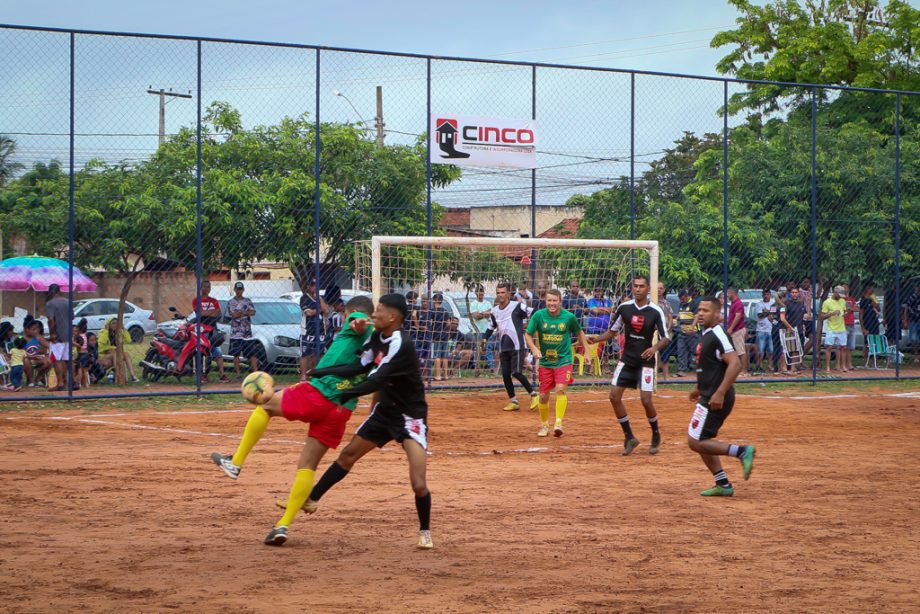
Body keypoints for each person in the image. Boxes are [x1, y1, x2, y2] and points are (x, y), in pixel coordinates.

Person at [210, 295, 375, 546]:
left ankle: (236, 461)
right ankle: (283, 525)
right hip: (342, 408)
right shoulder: (379, 343)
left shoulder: (355, 322)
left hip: (320, 392)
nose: (344, 318)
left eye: (344, 314)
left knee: (265, 405)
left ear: (349, 311)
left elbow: (358, 320)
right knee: (307, 465)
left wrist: (360, 321)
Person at [294, 293, 434, 550]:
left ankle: (425, 530)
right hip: (384, 413)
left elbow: (374, 381)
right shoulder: (376, 338)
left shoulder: (400, 343)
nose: (374, 313)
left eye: (379, 309)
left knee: (419, 483)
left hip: (409, 416)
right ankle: (312, 498)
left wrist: (340, 394)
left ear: (392, 317)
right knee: (348, 455)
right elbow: (358, 367)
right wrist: (320, 372)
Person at [587, 275, 670, 456]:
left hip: (646, 362)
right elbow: (612, 331)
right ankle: (629, 437)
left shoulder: (655, 311)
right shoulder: (624, 308)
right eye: (635, 286)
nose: (638, 289)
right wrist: (596, 339)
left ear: (648, 288)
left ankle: (655, 434)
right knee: (614, 396)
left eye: (641, 286)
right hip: (627, 360)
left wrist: (654, 348)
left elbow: (666, 337)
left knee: (646, 400)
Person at [687, 296, 756, 497]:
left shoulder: (718, 333)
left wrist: (719, 393)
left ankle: (742, 452)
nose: (700, 313)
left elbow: (735, 364)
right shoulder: (708, 333)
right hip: (708, 394)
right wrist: (699, 388)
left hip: (716, 397)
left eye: (706, 311)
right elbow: (712, 366)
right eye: (699, 310)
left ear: (717, 315)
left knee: (696, 442)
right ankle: (723, 483)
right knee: (701, 438)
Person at [524, 288, 591, 438]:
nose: (552, 303)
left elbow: (579, 332)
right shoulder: (538, 316)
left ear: (560, 302)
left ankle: (558, 423)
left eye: (555, 301)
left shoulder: (569, 317)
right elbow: (527, 334)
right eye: (549, 301)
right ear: (545, 301)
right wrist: (534, 349)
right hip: (546, 362)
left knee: (561, 389)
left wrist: (586, 351)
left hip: (564, 359)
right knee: (543, 396)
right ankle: (544, 425)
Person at [484, 282, 537, 411]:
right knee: (505, 374)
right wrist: (484, 338)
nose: (500, 295)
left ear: (508, 294)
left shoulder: (517, 306)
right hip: (504, 347)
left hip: (517, 346)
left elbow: (534, 312)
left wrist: (531, 327)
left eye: (503, 292)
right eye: (498, 293)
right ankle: (513, 401)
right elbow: (491, 327)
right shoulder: (495, 311)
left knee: (516, 372)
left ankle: (534, 395)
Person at [194, 280, 229, 383]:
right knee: (203, 352)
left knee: (217, 352)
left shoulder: (214, 301)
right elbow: (199, 313)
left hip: (212, 330)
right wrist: (210, 312)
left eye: (209, 287)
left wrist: (206, 313)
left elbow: (218, 314)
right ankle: (203, 375)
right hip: (201, 330)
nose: (207, 289)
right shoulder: (197, 300)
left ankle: (222, 374)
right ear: (201, 288)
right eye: (205, 286)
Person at [226, 281, 259, 379]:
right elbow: (234, 315)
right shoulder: (231, 302)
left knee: (252, 353)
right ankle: (238, 374)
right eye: (237, 289)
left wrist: (241, 312)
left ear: (243, 290)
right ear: (234, 290)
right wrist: (246, 312)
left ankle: (255, 373)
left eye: (240, 289)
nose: (239, 291)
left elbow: (253, 312)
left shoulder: (248, 300)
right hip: (235, 333)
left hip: (247, 333)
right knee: (236, 354)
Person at [298, 278, 329, 380]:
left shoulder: (320, 298)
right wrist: (319, 310)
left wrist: (319, 300)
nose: (314, 287)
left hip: (320, 330)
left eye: (316, 286)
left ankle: (314, 373)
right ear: (308, 286)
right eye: (312, 285)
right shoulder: (304, 298)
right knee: (305, 353)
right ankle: (303, 375)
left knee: (317, 353)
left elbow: (327, 310)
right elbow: (308, 312)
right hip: (307, 330)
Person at [45, 284, 72, 391]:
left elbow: (51, 319)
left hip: (58, 334)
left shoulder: (50, 303)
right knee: (65, 359)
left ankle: (60, 383)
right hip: (68, 333)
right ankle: (67, 382)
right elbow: (72, 317)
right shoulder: (68, 302)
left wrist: (52, 334)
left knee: (56, 359)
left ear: (51, 292)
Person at [820, 285, 847, 374]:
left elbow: (844, 313)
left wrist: (848, 311)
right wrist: (831, 313)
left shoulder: (843, 301)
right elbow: (822, 316)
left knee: (843, 347)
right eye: (839, 294)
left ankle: (843, 366)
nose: (840, 296)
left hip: (842, 328)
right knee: (829, 347)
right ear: (835, 293)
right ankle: (828, 367)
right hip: (831, 328)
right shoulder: (827, 302)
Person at [468, 285, 494, 372]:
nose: (480, 293)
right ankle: (477, 367)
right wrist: (485, 313)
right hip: (478, 331)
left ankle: (491, 367)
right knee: (477, 348)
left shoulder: (488, 303)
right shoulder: (473, 304)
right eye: (479, 291)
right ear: (476, 293)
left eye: (482, 291)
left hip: (487, 330)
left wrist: (481, 313)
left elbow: (490, 313)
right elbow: (476, 316)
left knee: (488, 348)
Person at [780, 287, 806, 372]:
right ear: (790, 294)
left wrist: (806, 317)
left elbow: (804, 315)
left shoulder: (801, 304)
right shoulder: (787, 303)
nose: (794, 294)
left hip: (799, 329)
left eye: (796, 292)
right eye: (793, 292)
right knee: (787, 349)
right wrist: (789, 327)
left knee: (796, 349)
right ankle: (784, 368)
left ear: (798, 293)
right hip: (790, 329)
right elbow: (783, 317)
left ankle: (793, 368)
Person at [725, 287, 748, 376]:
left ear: (732, 293)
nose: (727, 295)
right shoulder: (733, 303)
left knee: (741, 351)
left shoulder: (738, 303)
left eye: (728, 293)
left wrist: (731, 328)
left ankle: (744, 371)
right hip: (735, 330)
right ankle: (738, 370)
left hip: (737, 330)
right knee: (736, 351)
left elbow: (738, 317)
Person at [427, 293, 451, 381]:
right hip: (444, 335)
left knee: (437, 356)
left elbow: (430, 322)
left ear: (434, 300)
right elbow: (448, 323)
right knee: (444, 356)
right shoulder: (445, 311)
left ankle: (438, 375)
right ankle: (446, 375)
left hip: (436, 335)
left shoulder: (432, 311)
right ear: (441, 301)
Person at [674, 290, 698, 376]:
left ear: (686, 296)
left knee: (695, 351)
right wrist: (676, 319)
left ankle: (701, 369)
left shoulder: (693, 303)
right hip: (682, 331)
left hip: (692, 332)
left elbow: (696, 316)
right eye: (680, 299)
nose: (681, 300)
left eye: (682, 298)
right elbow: (680, 314)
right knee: (681, 351)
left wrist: (692, 327)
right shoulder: (681, 304)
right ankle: (682, 370)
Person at [22, 319, 50, 387]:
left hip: (36, 358)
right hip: (24, 358)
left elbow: (48, 345)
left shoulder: (37, 337)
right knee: (26, 360)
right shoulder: (21, 338)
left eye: (37, 329)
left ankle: (37, 379)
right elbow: (20, 352)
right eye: (33, 329)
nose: (36, 331)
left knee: (48, 361)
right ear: (27, 329)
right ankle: (30, 381)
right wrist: (30, 356)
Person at [655, 282, 674, 379]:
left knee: (665, 354)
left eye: (661, 288)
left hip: (665, 332)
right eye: (657, 288)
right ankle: (653, 376)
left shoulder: (667, 303)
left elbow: (670, 318)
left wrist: (667, 330)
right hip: (653, 332)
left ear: (664, 290)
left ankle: (666, 376)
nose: (659, 290)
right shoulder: (650, 302)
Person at [754, 289, 775, 374]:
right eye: (765, 294)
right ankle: (760, 365)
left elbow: (774, 315)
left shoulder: (773, 304)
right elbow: (760, 315)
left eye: (768, 294)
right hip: (761, 329)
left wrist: (766, 312)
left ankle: (769, 365)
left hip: (771, 328)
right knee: (760, 349)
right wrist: (768, 313)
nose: (766, 296)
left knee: (770, 350)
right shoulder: (759, 304)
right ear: (762, 295)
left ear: (770, 295)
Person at [842, 284, 858, 371]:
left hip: (852, 323)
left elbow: (856, 309)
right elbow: (846, 310)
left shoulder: (851, 299)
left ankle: (849, 364)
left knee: (850, 347)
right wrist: (850, 308)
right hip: (844, 324)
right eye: (843, 288)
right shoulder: (841, 300)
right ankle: (843, 364)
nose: (845, 289)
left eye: (846, 287)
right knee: (843, 346)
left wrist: (850, 308)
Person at [73, 319, 91, 389]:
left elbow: (77, 344)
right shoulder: (85, 336)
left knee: (80, 369)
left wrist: (73, 342)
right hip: (86, 354)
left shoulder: (78, 337)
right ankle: (86, 384)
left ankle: (79, 383)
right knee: (85, 370)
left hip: (81, 354)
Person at [906, 284, 920, 357]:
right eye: (918, 288)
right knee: (914, 338)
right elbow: (908, 308)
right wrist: (905, 320)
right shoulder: (912, 297)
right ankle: (916, 354)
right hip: (913, 320)